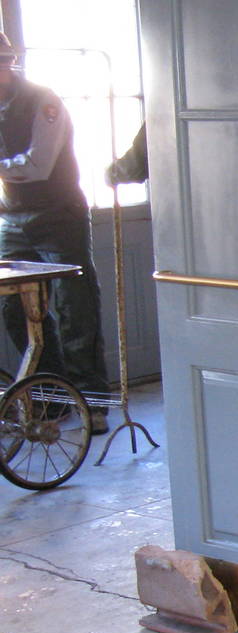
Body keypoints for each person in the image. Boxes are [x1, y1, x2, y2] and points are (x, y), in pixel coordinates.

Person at [0, 33, 109, 432]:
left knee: (74, 307)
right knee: (14, 309)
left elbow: (38, 164)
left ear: (6, 63)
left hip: (58, 214)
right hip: (12, 217)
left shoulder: (43, 102)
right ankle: (53, 397)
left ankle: (92, 401)